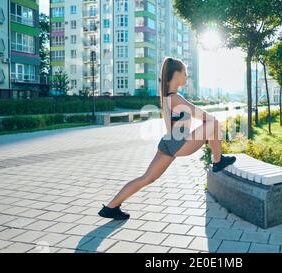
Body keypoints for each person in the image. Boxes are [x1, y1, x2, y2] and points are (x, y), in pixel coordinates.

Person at [98, 57, 236, 220]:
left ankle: (110, 207)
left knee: (147, 178)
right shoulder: (176, 98)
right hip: (180, 144)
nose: (186, 77)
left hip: (167, 143)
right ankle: (218, 161)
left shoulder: (166, 97)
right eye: (185, 73)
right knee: (214, 122)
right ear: (176, 74)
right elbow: (203, 116)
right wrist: (209, 135)